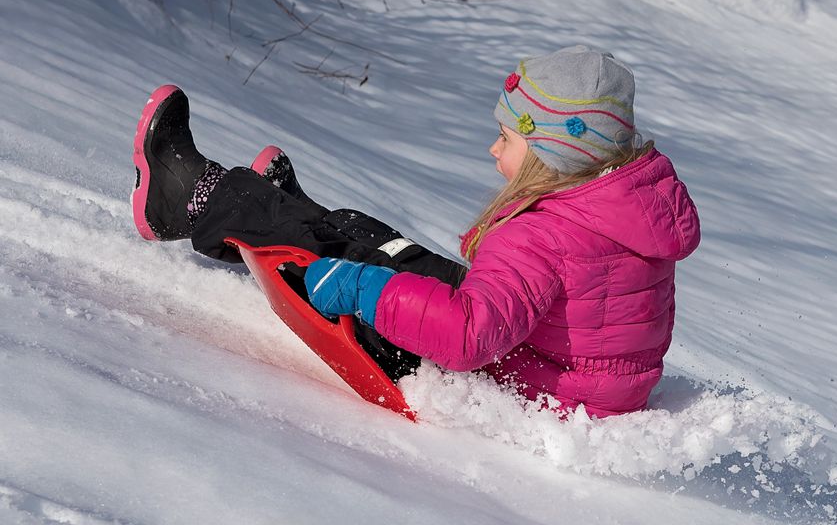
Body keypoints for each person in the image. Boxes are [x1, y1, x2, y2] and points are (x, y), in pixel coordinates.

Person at [132, 45, 701, 417]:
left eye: (507, 139)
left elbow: (465, 335)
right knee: (368, 236)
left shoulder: (540, 237)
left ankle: (189, 199)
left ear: (552, 154)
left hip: (504, 389)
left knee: (359, 266)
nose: (493, 149)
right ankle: (296, 213)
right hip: (547, 374)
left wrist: (364, 291)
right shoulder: (621, 211)